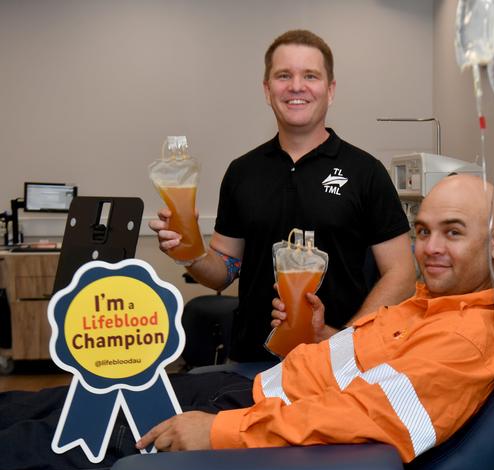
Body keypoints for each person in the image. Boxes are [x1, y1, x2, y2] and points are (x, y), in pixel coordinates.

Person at [0, 174, 494, 470]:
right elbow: (369, 370)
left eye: (453, 232)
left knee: (42, 438)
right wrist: (324, 336)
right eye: (422, 231)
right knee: (53, 399)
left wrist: (217, 432)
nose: (430, 248)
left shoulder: (466, 340)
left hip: (250, 414)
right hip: (249, 386)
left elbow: (362, 418)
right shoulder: (432, 304)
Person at [149, 29, 415, 365]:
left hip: (338, 366)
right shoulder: (242, 172)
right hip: (250, 365)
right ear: (267, 89)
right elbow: (225, 269)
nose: (296, 86)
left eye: (311, 76)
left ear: (330, 90)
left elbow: (402, 275)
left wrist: (344, 341)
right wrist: (188, 253)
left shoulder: (366, 172)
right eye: (283, 75)